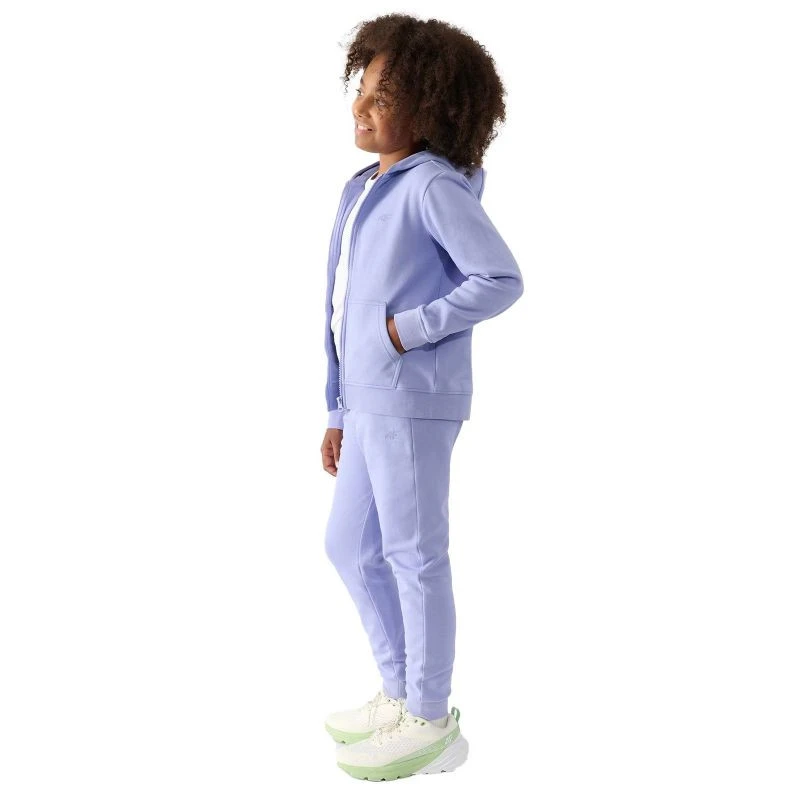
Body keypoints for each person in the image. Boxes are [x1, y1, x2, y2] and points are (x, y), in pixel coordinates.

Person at [320, 13, 524, 781]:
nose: (360, 107)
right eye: (362, 90)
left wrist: (408, 330)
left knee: (413, 553)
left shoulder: (432, 185)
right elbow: (342, 305)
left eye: (382, 97)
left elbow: (499, 278)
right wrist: (337, 408)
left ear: (430, 108)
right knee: (348, 544)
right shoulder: (365, 187)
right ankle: (401, 690)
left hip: (412, 399)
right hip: (368, 400)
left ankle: (431, 718)